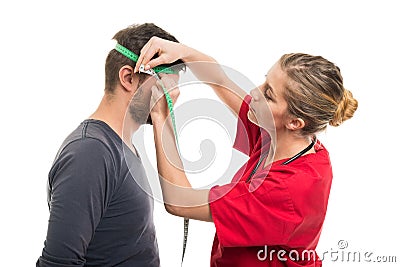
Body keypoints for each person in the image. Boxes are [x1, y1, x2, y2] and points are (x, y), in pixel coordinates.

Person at [135, 37, 358, 266]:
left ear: (295, 122)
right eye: (264, 82)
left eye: (268, 94)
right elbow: (219, 80)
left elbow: (179, 201)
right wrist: (181, 51)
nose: (254, 92)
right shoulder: (284, 139)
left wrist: (160, 114)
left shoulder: (284, 190)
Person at [36, 23, 184, 267]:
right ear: (128, 78)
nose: (173, 98)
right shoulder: (90, 152)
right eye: (166, 87)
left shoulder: (122, 146)